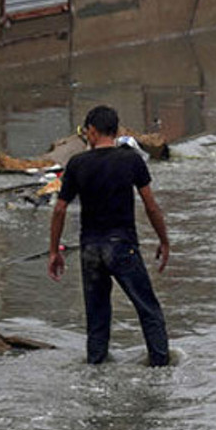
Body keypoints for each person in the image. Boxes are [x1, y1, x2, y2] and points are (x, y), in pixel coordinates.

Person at [48, 106, 172, 367]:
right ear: (116, 132)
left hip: (90, 249)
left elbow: (59, 209)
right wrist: (164, 240)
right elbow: (150, 205)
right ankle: (161, 370)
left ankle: (95, 368)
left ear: (91, 132)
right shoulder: (131, 160)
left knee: (97, 318)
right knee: (148, 310)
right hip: (122, 246)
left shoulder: (77, 164)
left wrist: (53, 251)